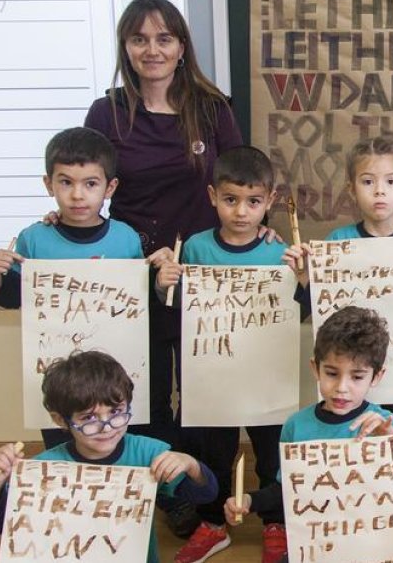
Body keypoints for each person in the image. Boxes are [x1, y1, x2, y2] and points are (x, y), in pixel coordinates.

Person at [85, 0, 244, 455]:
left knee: (204, 388)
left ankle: (201, 488)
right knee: (146, 389)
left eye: (163, 38)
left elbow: (241, 179)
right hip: (133, 272)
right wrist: (65, 215)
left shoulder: (213, 109)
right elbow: (88, 179)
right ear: (125, 47)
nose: (151, 50)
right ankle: (163, 487)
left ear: (181, 47)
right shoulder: (105, 113)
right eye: (139, 39)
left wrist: (260, 229)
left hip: (203, 269)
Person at [155, 145, 299, 563]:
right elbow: (173, 302)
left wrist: (304, 278)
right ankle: (212, 522)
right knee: (212, 453)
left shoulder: (279, 251)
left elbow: (299, 309)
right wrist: (165, 283)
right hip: (210, 378)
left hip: (266, 378)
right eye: (231, 200)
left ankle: (274, 522)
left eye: (253, 202)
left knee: (271, 453)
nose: (241, 212)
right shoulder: (196, 248)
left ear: (269, 201)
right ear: (212, 196)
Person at [0, 127, 164, 448]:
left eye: (90, 184)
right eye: (66, 182)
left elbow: (140, 302)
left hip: (115, 369)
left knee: (119, 443)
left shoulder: (125, 238)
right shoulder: (34, 238)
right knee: (62, 442)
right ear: (48, 184)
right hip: (58, 372)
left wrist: (160, 279)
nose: (78, 195)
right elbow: (16, 297)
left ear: (110, 187)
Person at [0, 351, 216, 563]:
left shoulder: (149, 453)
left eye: (116, 412)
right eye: (89, 418)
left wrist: (191, 465)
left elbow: (205, 495)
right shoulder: (44, 468)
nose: (107, 427)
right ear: (61, 420)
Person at [287, 136, 393, 432]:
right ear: (351, 190)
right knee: (348, 439)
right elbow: (322, 313)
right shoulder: (338, 242)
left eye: (390, 182)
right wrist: (304, 280)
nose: (379, 191)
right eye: (367, 182)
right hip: (349, 372)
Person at [224, 306, 393, 533]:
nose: (341, 388)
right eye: (331, 373)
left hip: (368, 540)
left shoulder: (387, 426)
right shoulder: (296, 426)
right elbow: (289, 489)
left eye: (357, 377)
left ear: (376, 376)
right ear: (315, 368)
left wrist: (389, 443)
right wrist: (250, 501)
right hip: (315, 541)